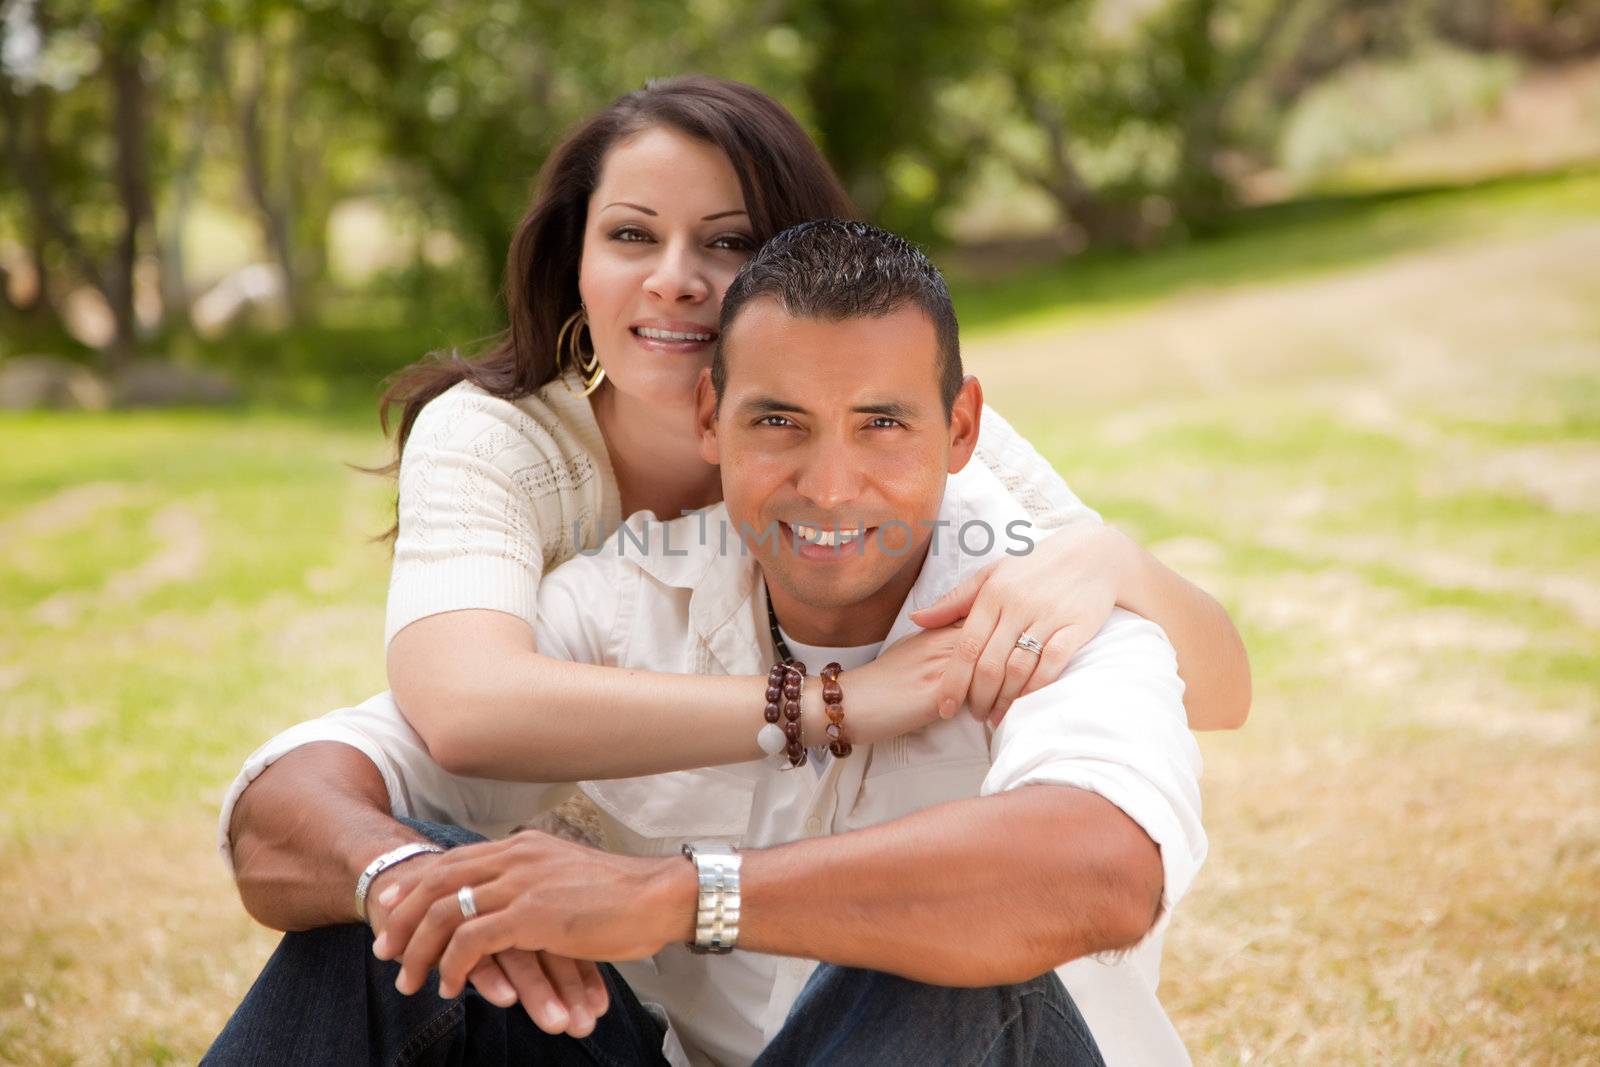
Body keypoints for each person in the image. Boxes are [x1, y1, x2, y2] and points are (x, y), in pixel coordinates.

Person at [222, 72, 1243, 1043]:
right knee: (398, 921)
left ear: (952, 426)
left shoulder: (996, 548)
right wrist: (398, 877)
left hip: (945, 1025)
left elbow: (1130, 814)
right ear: (718, 418)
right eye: (630, 234)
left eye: (882, 421)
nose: (835, 482)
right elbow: (432, 721)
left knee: (932, 939)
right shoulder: (574, 541)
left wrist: (1115, 562)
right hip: (650, 995)